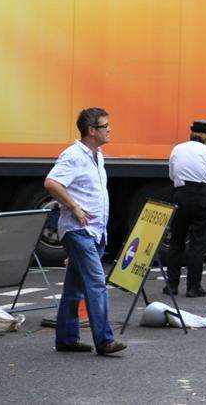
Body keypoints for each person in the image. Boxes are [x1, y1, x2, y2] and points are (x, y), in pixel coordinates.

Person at [43, 107, 126, 355]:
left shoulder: (97, 154)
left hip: (95, 231)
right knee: (97, 282)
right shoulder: (73, 156)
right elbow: (51, 183)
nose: (110, 129)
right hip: (78, 230)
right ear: (92, 130)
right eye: (105, 126)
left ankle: (67, 339)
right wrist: (75, 207)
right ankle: (104, 340)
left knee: (74, 287)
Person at [164, 120, 206, 298]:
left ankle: (172, 286)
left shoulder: (178, 149)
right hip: (201, 197)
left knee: (176, 242)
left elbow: (172, 175)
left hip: (180, 195)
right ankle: (193, 287)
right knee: (197, 244)